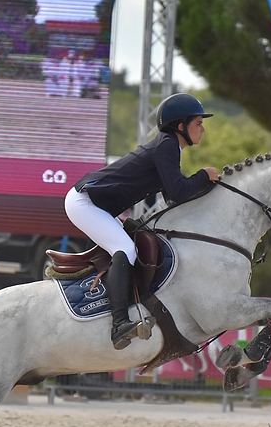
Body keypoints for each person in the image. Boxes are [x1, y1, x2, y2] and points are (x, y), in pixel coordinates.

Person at [65, 93, 220, 350]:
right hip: (84, 202)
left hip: (93, 203)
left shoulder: (169, 147)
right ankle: (119, 325)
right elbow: (180, 191)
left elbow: (172, 197)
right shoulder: (167, 145)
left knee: (129, 247)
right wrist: (204, 175)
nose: (202, 129)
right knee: (125, 250)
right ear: (180, 126)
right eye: (198, 124)